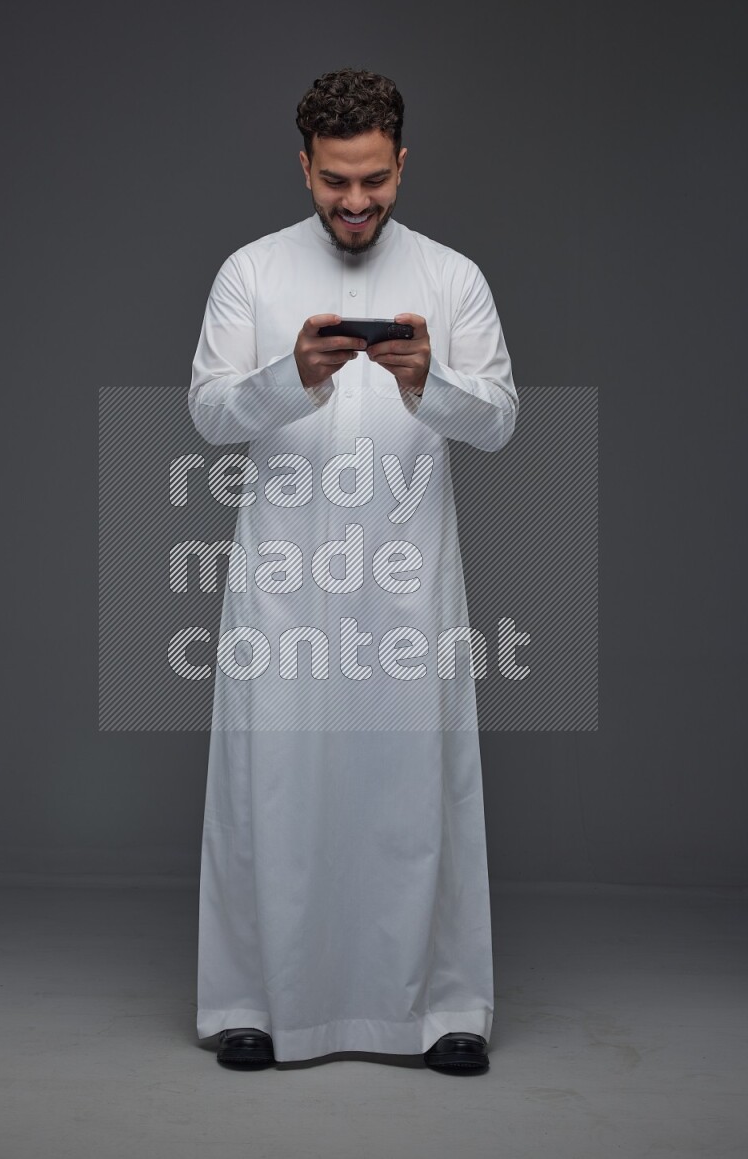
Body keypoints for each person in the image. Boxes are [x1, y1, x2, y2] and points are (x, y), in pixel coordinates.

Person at [187, 68, 519, 1075]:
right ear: (304, 165)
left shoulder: (451, 278)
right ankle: (249, 1000)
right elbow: (206, 413)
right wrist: (291, 374)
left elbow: (498, 419)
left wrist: (434, 383)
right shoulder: (250, 274)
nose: (355, 201)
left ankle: (445, 1005)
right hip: (285, 581)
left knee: (417, 787)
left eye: (373, 178)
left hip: (407, 582)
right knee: (270, 784)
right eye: (335, 180)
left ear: (401, 162)